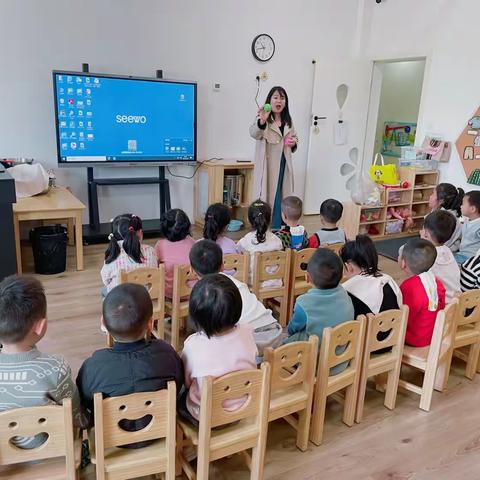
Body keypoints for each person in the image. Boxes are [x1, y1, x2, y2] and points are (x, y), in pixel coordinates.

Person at [76, 283, 184, 441]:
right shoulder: (167, 354)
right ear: (150, 323)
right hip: (159, 433)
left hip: (112, 442)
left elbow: (85, 401)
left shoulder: (93, 366)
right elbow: (179, 383)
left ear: (103, 324)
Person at [0, 275, 85, 449]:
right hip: (54, 453)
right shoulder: (55, 368)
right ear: (40, 326)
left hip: (8, 465)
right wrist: (85, 422)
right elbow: (76, 415)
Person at [180, 274, 257, 424]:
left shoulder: (192, 345)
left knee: (179, 398)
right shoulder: (248, 332)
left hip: (207, 415)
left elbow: (187, 381)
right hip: (244, 406)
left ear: (195, 316)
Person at [189, 240, 282, 355]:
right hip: (276, 332)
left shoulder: (204, 295)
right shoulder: (235, 284)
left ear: (192, 270)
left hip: (254, 340)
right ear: (223, 266)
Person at [283, 248, 354, 375]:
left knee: (283, 346)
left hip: (316, 364)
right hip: (341, 360)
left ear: (307, 277)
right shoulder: (344, 294)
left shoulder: (304, 303)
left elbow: (293, 328)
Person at [250, 86, 298, 230]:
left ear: (285, 102)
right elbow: (254, 133)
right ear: (270, 100)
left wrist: (294, 142)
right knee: (269, 194)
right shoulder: (263, 117)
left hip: (284, 163)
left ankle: (281, 226)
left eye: (282, 98)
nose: (279, 101)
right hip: (268, 164)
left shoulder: (288, 121)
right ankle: (267, 226)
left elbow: (295, 137)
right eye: (276, 97)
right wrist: (262, 121)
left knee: (283, 194)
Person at [340, 235, 402, 318]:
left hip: (366, 330)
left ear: (349, 267)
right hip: (394, 329)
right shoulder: (388, 280)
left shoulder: (347, 292)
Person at [399, 239, 446, 347]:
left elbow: (402, 316)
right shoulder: (437, 282)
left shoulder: (408, 287)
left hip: (415, 338)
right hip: (435, 335)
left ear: (403, 263)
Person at [101, 214, 157, 294]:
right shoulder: (150, 251)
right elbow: (154, 271)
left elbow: (105, 280)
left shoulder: (111, 254)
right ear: (140, 233)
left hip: (120, 301)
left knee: (103, 290)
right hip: (144, 299)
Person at [237, 200, 283, 287]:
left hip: (253, 283)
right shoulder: (277, 241)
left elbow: (237, 253)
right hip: (274, 282)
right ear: (269, 219)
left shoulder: (245, 241)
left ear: (248, 219)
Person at [420, 210, 461, 302]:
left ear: (426, 234)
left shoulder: (427, 255)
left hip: (441, 308)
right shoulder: (447, 251)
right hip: (457, 303)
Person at [155, 208, 195, 298]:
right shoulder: (193, 243)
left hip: (168, 294)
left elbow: (155, 269)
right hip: (190, 292)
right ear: (187, 228)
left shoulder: (159, 245)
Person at [428, 183, 464, 251]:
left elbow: (438, 244)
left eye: (433, 194)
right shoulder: (438, 211)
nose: (430, 196)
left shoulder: (444, 219)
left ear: (441, 201)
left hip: (444, 251)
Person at [455, 191, 480, 263]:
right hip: (462, 253)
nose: (461, 206)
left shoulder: (478, 226)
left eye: (463, 204)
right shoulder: (468, 220)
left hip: (470, 258)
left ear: (472, 209)